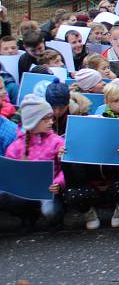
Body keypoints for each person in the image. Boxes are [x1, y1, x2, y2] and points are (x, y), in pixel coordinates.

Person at [1, 95, 65, 228]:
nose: (51, 122)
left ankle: (55, 218)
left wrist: (58, 183)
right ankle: (28, 215)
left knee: (50, 211)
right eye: (45, 119)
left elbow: (64, 169)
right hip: (24, 192)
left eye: (51, 118)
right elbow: (9, 173)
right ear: (33, 121)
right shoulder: (16, 146)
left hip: (49, 191)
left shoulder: (57, 142)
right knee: (3, 196)